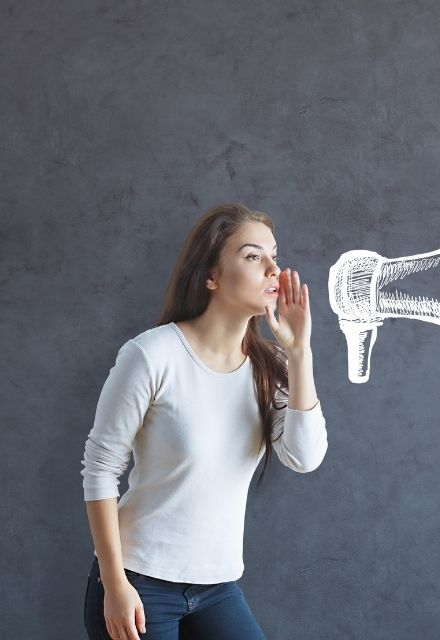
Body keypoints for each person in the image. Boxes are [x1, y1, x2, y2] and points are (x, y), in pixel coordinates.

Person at [81, 203, 329, 640]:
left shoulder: (270, 365)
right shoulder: (152, 355)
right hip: (137, 580)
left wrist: (299, 352)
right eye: (253, 256)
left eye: (274, 254)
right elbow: (100, 472)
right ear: (211, 276)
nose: (273, 268)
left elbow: (304, 457)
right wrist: (114, 584)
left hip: (217, 586)